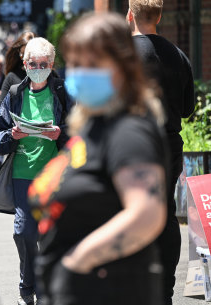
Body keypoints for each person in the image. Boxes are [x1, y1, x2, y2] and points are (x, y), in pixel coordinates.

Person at [28, 13, 168, 305]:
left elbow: (146, 214)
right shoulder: (94, 126)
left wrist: (77, 261)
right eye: (76, 63)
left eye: (92, 64)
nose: (80, 72)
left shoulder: (128, 130)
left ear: (123, 68)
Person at [0, 37, 72, 305]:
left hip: (55, 175)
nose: (38, 68)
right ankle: (28, 285)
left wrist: (60, 134)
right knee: (23, 231)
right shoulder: (15, 93)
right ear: (24, 65)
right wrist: (12, 135)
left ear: (52, 64)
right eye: (33, 63)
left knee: (52, 233)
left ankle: (49, 286)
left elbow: (79, 132)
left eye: (44, 64)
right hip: (22, 173)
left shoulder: (62, 92)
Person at [127, 1, 195, 303]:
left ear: (129, 15)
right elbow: (188, 108)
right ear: (160, 16)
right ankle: (165, 288)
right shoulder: (178, 55)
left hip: (130, 146)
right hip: (168, 145)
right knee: (165, 212)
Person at [0, 31, 35, 103]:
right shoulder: (12, 77)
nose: (29, 59)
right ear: (20, 54)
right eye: (25, 55)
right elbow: (3, 109)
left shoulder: (49, 76)